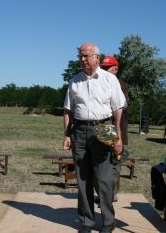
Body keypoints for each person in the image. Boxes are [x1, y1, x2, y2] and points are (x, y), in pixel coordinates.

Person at [63, 43, 127, 233]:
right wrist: (66, 135)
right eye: (80, 56)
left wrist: (119, 137)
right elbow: (68, 110)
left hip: (104, 128)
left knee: (104, 179)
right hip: (80, 130)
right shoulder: (74, 81)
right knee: (83, 179)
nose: (82, 59)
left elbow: (118, 109)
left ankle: (108, 221)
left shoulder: (109, 79)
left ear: (97, 58)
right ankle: (86, 222)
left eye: (86, 56)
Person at [101, 55, 130, 202]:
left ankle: (111, 193)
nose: (105, 70)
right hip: (104, 128)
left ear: (116, 69)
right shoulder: (99, 82)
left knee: (114, 163)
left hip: (116, 129)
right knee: (102, 162)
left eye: (108, 68)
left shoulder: (121, 84)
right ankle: (103, 194)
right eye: (103, 68)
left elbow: (121, 105)